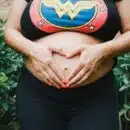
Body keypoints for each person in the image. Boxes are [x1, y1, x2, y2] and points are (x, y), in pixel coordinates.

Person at [4, 0, 130, 130]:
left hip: (96, 95)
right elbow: (11, 31)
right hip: (38, 92)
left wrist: (103, 51)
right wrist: (32, 50)